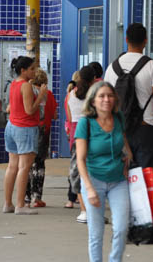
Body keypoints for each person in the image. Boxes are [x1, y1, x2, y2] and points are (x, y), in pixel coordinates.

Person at [104, 23, 153, 244]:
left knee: (122, 179)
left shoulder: (111, 68)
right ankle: (147, 231)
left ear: (126, 39)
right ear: (145, 41)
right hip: (147, 128)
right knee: (148, 179)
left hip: (118, 131)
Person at [75, 81, 132, 262]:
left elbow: (123, 141)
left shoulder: (118, 118)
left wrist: (127, 157)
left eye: (110, 95)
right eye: (101, 96)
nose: (106, 99)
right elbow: (80, 160)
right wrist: (89, 189)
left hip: (118, 180)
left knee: (122, 228)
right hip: (94, 180)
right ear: (93, 101)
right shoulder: (85, 123)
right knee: (96, 232)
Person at [3, 56, 49, 215]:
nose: (34, 72)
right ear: (23, 70)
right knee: (24, 167)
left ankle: (8, 203)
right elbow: (30, 110)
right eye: (32, 69)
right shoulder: (26, 86)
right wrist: (42, 94)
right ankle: (20, 204)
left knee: (12, 166)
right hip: (25, 128)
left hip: (12, 126)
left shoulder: (14, 84)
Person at [25, 69, 57, 208]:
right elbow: (55, 115)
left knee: (27, 164)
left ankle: (26, 197)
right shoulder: (48, 94)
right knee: (39, 163)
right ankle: (37, 197)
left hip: (30, 129)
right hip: (44, 130)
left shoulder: (30, 93)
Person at [68, 65, 97, 223]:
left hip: (76, 136)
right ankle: (93, 209)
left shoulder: (71, 93)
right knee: (93, 172)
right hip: (93, 135)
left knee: (79, 172)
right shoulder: (94, 95)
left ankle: (84, 210)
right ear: (94, 79)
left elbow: (69, 115)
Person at [64, 70, 81, 209]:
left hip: (73, 131)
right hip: (86, 131)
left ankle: (71, 198)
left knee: (75, 165)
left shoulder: (69, 95)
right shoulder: (90, 95)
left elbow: (69, 118)